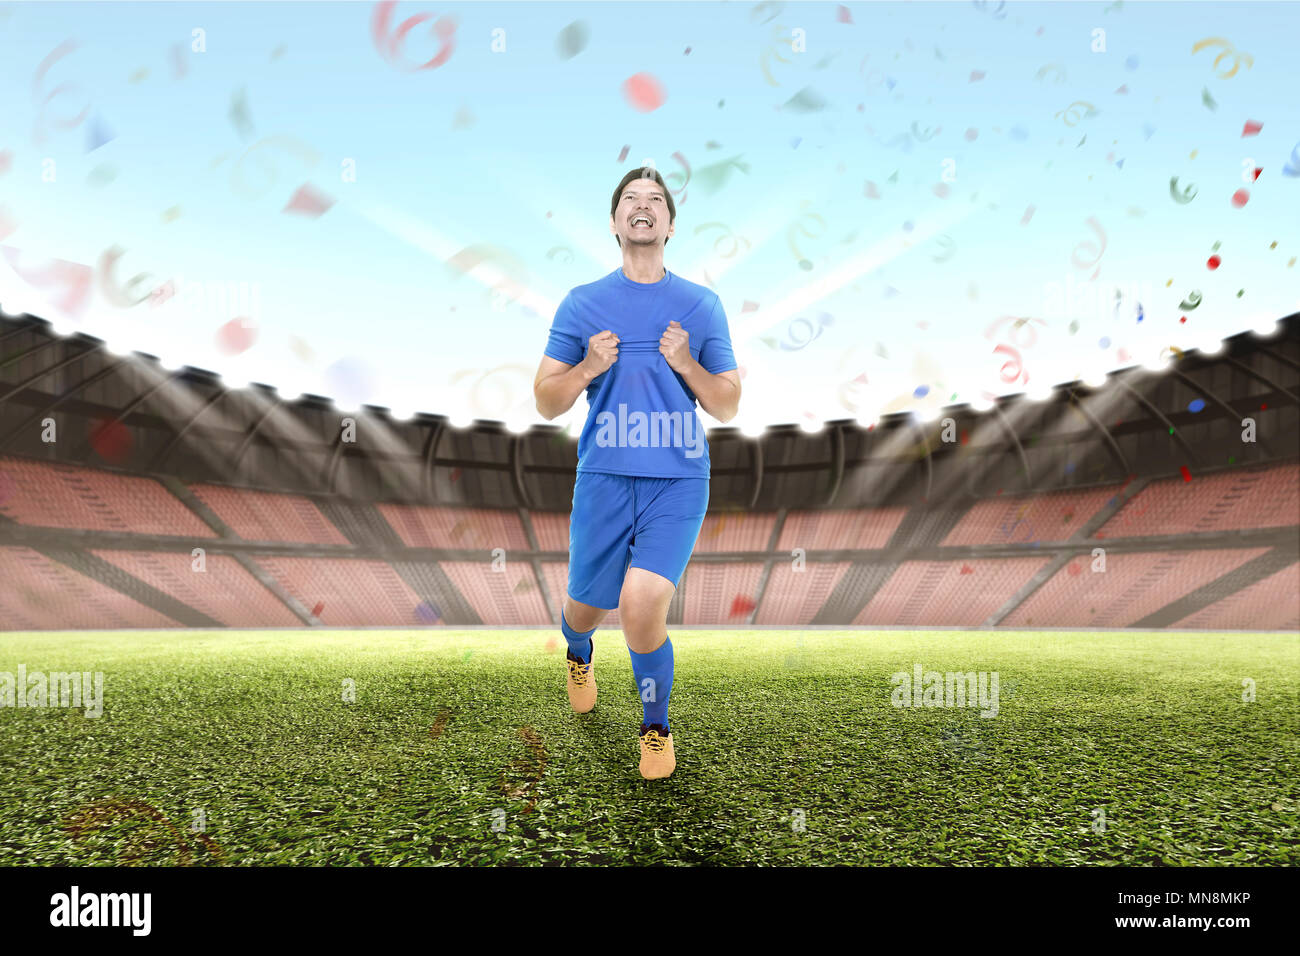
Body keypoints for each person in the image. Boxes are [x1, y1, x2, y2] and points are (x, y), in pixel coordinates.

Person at [532, 167, 741, 779]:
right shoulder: (582, 303)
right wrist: (587, 367)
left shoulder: (702, 306)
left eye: (655, 200)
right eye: (630, 199)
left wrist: (688, 365)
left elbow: (726, 403)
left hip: (678, 479)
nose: (642, 207)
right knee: (586, 609)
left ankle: (655, 727)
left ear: (670, 225)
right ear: (616, 221)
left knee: (642, 603)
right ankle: (577, 651)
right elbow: (546, 401)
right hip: (604, 476)